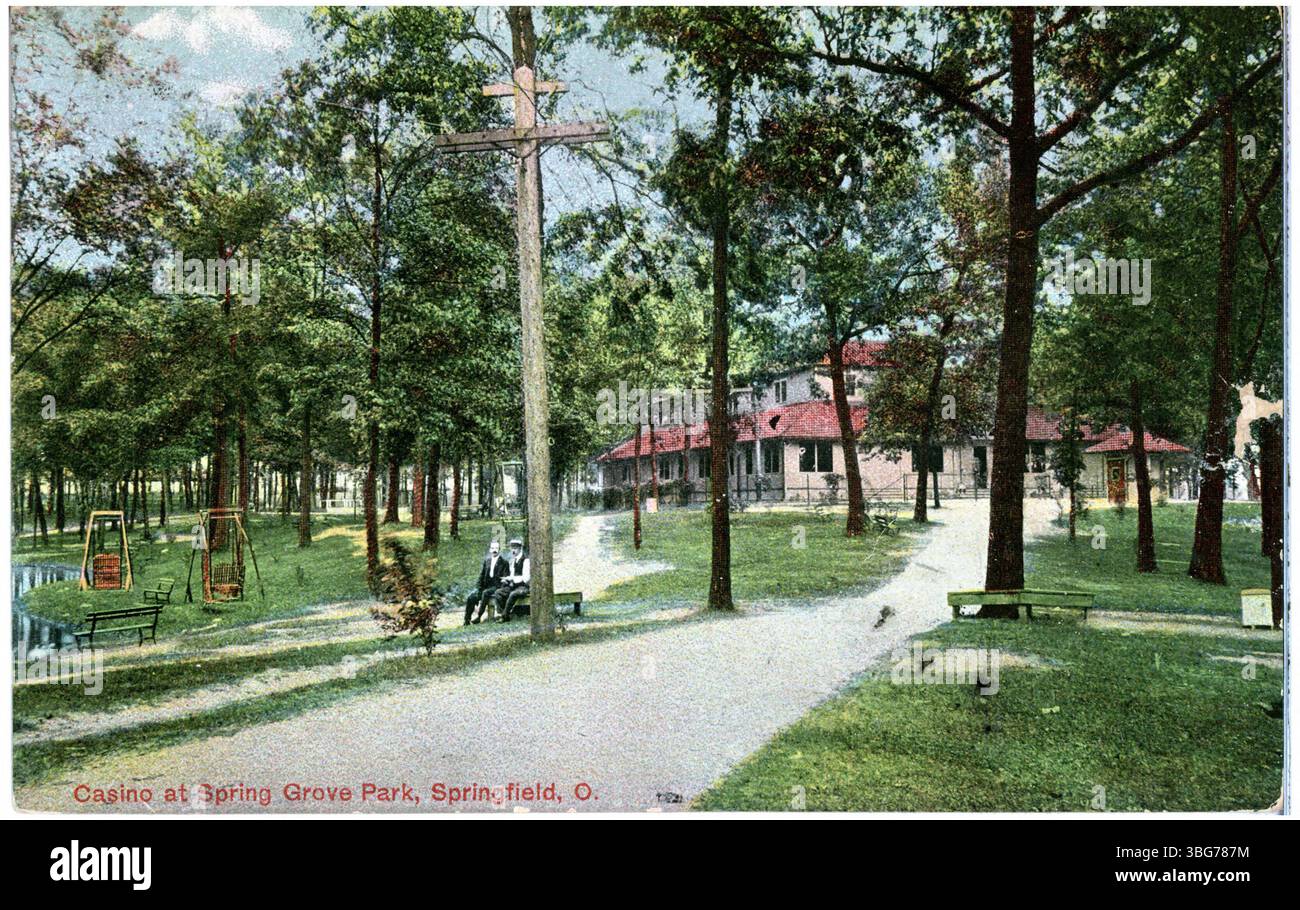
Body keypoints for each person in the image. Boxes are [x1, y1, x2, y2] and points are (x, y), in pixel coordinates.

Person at [464, 540, 508, 625]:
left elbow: (505, 578)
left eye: (496, 548)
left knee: (485, 593)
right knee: (471, 597)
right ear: (490, 550)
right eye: (492, 548)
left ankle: (479, 616)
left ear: (499, 549)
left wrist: (500, 588)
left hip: (496, 587)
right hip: (486, 586)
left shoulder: (504, 562)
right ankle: (466, 619)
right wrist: (478, 588)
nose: (494, 550)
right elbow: (481, 576)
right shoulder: (487, 561)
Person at [492, 538, 530, 622]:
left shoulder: (526, 560)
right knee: (498, 592)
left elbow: (526, 579)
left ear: (520, 548)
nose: (513, 550)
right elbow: (512, 575)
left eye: (515, 548)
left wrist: (513, 578)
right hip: (514, 586)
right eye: (512, 548)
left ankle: (504, 616)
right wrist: (507, 580)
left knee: (513, 594)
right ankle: (503, 614)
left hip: (524, 587)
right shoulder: (513, 560)